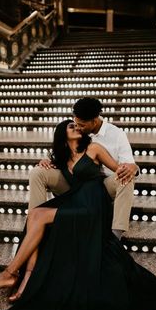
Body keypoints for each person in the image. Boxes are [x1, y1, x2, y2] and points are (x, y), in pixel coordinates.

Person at [0, 120, 156, 310]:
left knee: (38, 216)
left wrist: (133, 167)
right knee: (35, 215)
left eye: (76, 125)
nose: (76, 127)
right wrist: (44, 162)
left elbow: (119, 171)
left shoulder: (94, 148)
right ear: (62, 135)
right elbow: (52, 170)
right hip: (76, 202)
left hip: (93, 205)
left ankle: (11, 274)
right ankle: (21, 275)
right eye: (70, 127)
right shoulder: (61, 158)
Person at [29, 97, 139, 239]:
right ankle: (33, 224)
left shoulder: (117, 135)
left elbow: (125, 167)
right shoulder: (75, 132)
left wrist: (134, 167)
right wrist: (47, 161)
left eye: (81, 125)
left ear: (94, 120)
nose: (78, 127)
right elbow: (63, 151)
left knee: (126, 178)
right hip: (71, 183)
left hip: (100, 187)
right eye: (75, 123)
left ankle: (116, 234)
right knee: (38, 172)